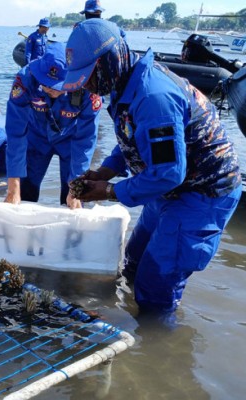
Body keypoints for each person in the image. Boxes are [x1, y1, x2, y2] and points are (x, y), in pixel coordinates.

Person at [62, 19, 242, 314]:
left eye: (89, 77)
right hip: (166, 184)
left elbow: (170, 172)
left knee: (157, 284)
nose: (87, 85)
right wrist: (106, 171)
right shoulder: (124, 83)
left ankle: (159, 346)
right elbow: (131, 136)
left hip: (203, 192)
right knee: (133, 261)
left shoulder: (154, 97)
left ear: (109, 61)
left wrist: (109, 191)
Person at [5, 42, 102, 208]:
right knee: (24, 190)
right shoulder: (25, 80)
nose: (50, 89)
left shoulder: (88, 88)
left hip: (71, 140)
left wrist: (77, 183)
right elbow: (15, 132)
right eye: (46, 84)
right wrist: (13, 182)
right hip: (37, 137)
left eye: (57, 87)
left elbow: (86, 139)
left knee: (72, 195)